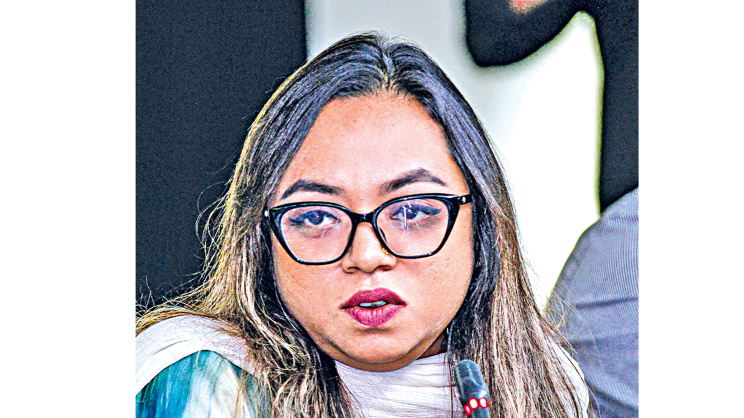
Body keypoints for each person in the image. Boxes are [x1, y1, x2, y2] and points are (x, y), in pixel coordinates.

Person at [135, 33, 590, 417]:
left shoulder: (545, 380)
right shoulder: (203, 374)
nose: (368, 255)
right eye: (316, 216)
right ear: (260, 241)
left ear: (482, 228)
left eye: (412, 211)